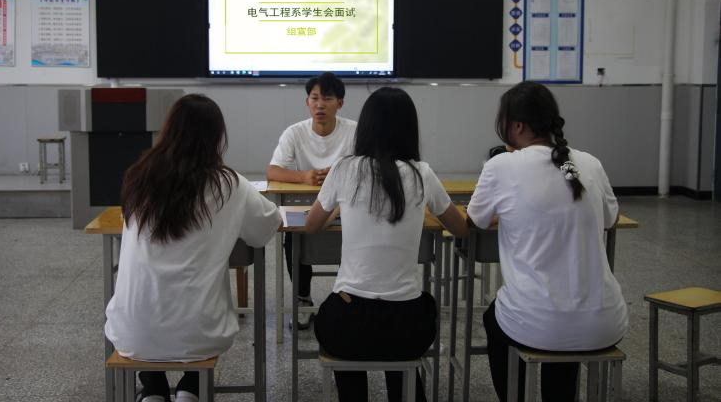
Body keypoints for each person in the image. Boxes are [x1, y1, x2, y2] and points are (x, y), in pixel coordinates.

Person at [105, 94, 282, 402]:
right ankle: (191, 388)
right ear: (216, 137)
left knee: (150, 317)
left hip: (132, 330)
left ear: (169, 130)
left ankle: (153, 389)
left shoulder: (138, 177)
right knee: (194, 323)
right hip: (199, 333)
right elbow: (265, 229)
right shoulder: (229, 185)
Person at [466, 81, 628, 402]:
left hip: (537, 323)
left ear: (517, 126)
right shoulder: (587, 162)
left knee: (497, 319)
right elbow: (611, 219)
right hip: (604, 322)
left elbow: (476, 221)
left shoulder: (502, 165)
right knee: (561, 322)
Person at [305, 87, 468, 402]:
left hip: (349, 322)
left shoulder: (345, 168)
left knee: (341, 330)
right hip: (406, 326)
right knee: (406, 332)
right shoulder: (422, 173)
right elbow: (460, 228)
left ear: (366, 127)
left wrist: (340, 208)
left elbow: (312, 226)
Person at [267, 72, 357, 328]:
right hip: (306, 206)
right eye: (314, 98)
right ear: (307, 102)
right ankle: (303, 298)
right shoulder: (294, 132)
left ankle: (349, 296)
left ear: (340, 103)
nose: (320, 105)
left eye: (327, 99)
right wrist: (305, 176)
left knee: (357, 235)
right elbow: (272, 171)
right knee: (292, 237)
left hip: (346, 209)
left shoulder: (355, 131)